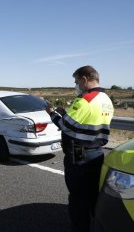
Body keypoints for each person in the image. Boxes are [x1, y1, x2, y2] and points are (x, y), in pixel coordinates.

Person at [46, 66, 114, 232]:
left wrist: (52, 113)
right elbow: (83, 122)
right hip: (97, 153)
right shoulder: (106, 99)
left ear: (84, 79)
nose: (76, 85)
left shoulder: (85, 99)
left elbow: (64, 125)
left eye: (77, 81)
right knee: (93, 196)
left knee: (77, 199)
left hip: (79, 157)